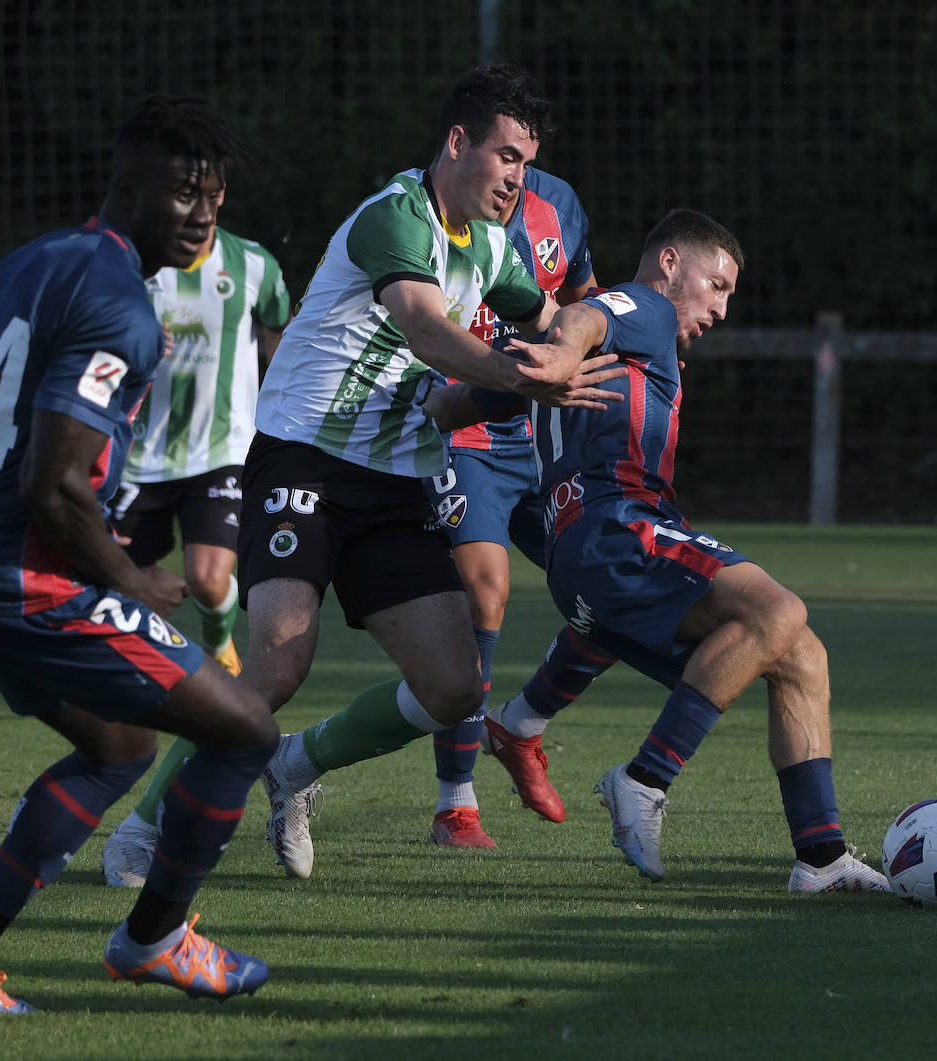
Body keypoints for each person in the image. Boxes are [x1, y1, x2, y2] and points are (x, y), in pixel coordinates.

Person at [0, 95, 280, 1014]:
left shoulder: (28, 260)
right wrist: (134, 577)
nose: (202, 213)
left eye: (215, 197)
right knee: (246, 729)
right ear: (127, 186)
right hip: (21, 575)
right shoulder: (122, 309)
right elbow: (55, 488)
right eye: (184, 192)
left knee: (117, 746)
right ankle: (154, 938)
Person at [238, 63, 624, 879]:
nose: (519, 179)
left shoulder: (490, 245)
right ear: (457, 143)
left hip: (394, 479)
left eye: (528, 162)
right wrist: (528, 376)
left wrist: (621, 334)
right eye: (508, 156)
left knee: (455, 687)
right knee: (275, 668)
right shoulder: (396, 216)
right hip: (304, 454)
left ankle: (295, 766)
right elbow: (429, 332)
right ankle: (144, 827)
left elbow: (558, 318)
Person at [427, 208, 889, 891]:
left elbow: (460, 405)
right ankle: (643, 779)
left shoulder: (608, 351)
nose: (722, 308)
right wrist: (561, 344)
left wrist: (423, 412)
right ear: (671, 263)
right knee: (778, 610)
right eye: (718, 284)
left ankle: (820, 858)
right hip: (616, 529)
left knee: (801, 657)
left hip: (582, 557)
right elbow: (586, 317)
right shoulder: (644, 308)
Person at [419, 163, 609, 846]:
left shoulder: (560, 203)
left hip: (543, 432)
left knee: (608, 584)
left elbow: (586, 302)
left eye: (524, 151)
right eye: (502, 148)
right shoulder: (427, 204)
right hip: (465, 425)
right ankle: (456, 805)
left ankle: (521, 725)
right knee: (485, 594)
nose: (511, 167)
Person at [99, 222, 290, 887]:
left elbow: (278, 346)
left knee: (211, 580)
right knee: (106, 604)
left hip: (222, 451)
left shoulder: (255, 265)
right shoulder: (136, 266)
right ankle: (84, 780)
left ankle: (220, 650)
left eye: (214, 191)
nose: (202, 206)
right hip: (139, 457)